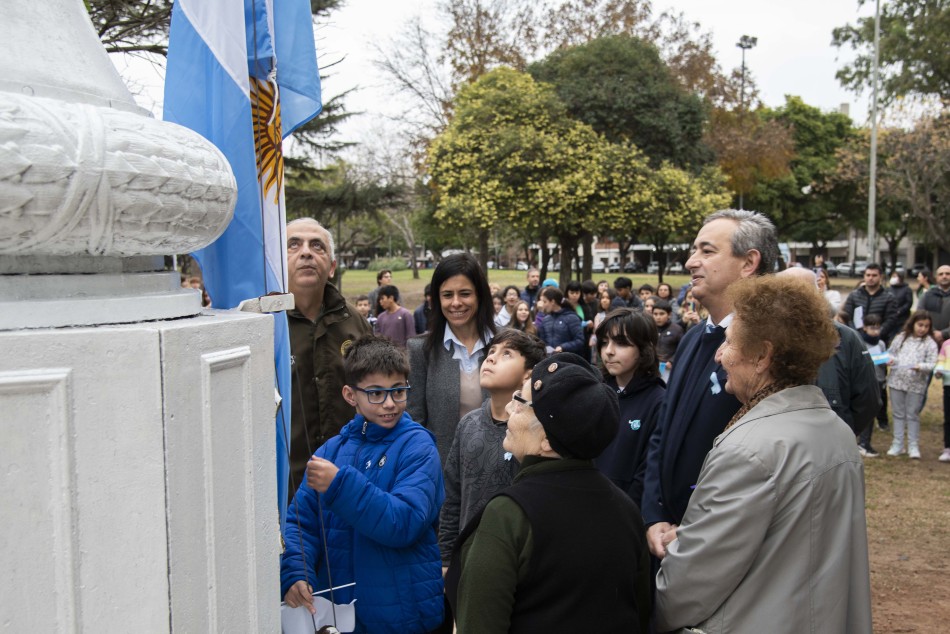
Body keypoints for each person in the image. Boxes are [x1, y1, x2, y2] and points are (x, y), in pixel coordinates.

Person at [654, 275, 872, 633]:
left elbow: (691, 584)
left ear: (761, 356)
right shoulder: (837, 433)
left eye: (729, 342)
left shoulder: (748, 449)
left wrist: (661, 600)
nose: (719, 355)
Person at [445, 353, 651, 633]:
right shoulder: (627, 511)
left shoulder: (509, 514)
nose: (508, 409)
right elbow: (638, 611)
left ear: (546, 441)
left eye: (521, 403)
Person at [281, 335, 445, 632]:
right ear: (350, 395)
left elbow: (405, 522)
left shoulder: (418, 446)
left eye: (398, 391)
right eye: (376, 393)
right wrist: (296, 573)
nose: (389, 403)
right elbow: (300, 523)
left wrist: (340, 486)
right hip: (338, 615)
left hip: (402, 617)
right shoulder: (329, 452)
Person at [642, 208, 778, 562]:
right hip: (667, 538)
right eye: (693, 250)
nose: (691, 262)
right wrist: (655, 514)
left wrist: (694, 530)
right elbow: (663, 432)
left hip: (725, 545)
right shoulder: (692, 339)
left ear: (748, 263)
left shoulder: (767, 353)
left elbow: (760, 465)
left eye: (706, 251)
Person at [439, 330, 546, 567]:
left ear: (528, 374)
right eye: (491, 352)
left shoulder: (537, 431)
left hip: (519, 562)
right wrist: (446, 560)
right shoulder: (468, 424)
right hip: (467, 559)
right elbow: (452, 497)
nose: (491, 358)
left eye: (506, 354)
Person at [286, 218, 371, 494]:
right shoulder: (262, 324)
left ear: (332, 267)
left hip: (349, 481)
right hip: (285, 485)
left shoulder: (355, 323)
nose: (306, 252)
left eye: (317, 245)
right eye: (294, 244)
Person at [407, 253, 496, 463]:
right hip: (442, 470)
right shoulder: (421, 350)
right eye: (447, 295)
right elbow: (415, 420)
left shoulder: (506, 344)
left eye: (465, 293)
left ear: (480, 295)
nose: (456, 303)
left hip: (499, 467)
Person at [594, 309, 666, 505]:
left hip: (626, 511)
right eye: (604, 342)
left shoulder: (658, 402)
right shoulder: (594, 391)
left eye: (621, 343)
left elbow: (649, 470)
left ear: (644, 348)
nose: (609, 351)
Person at [886, 310, 938, 459]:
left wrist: (920, 366)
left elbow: (932, 363)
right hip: (897, 381)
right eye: (920, 325)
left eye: (926, 326)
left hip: (916, 384)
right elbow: (891, 352)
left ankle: (913, 445)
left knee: (913, 414)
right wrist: (891, 359)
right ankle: (898, 443)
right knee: (898, 413)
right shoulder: (901, 338)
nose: (922, 329)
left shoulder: (930, 343)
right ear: (913, 323)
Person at [839, 263, 899, 342]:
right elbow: (847, 317)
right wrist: (856, 334)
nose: (870, 278)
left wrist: (876, 333)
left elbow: (890, 320)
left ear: (880, 277)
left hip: (879, 340)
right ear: (864, 276)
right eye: (868, 275)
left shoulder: (889, 297)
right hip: (855, 339)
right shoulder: (854, 295)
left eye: (874, 275)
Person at [856, 314, 888, 457]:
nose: (875, 331)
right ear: (865, 328)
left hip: (878, 380)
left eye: (878, 328)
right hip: (864, 381)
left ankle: (865, 441)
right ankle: (862, 442)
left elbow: (883, 360)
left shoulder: (880, 344)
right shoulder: (860, 342)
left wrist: (887, 361)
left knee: (874, 410)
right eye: (872, 328)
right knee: (864, 411)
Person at [536, 287, 585, 355]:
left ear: (552, 301)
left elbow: (580, 341)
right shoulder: (546, 320)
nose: (543, 305)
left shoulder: (572, 318)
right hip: (549, 360)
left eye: (545, 302)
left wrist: (563, 347)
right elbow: (541, 341)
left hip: (567, 360)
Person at [920, 264, 950, 344]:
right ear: (936, 278)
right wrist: (932, 332)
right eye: (941, 274)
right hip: (928, 339)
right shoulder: (927, 295)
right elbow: (919, 315)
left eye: (947, 274)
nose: (944, 276)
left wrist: (944, 334)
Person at [653, 299, 684, 374]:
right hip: (653, 367)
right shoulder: (649, 328)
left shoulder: (677, 330)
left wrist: (672, 361)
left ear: (669, 315)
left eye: (661, 314)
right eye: (655, 314)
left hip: (669, 368)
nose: (658, 317)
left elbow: (682, 348)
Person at [934, 336, 950, 462]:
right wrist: (938, 371)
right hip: (948, 386)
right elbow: (940, 362)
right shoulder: (946, 344)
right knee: (948, 418)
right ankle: (947, 448)